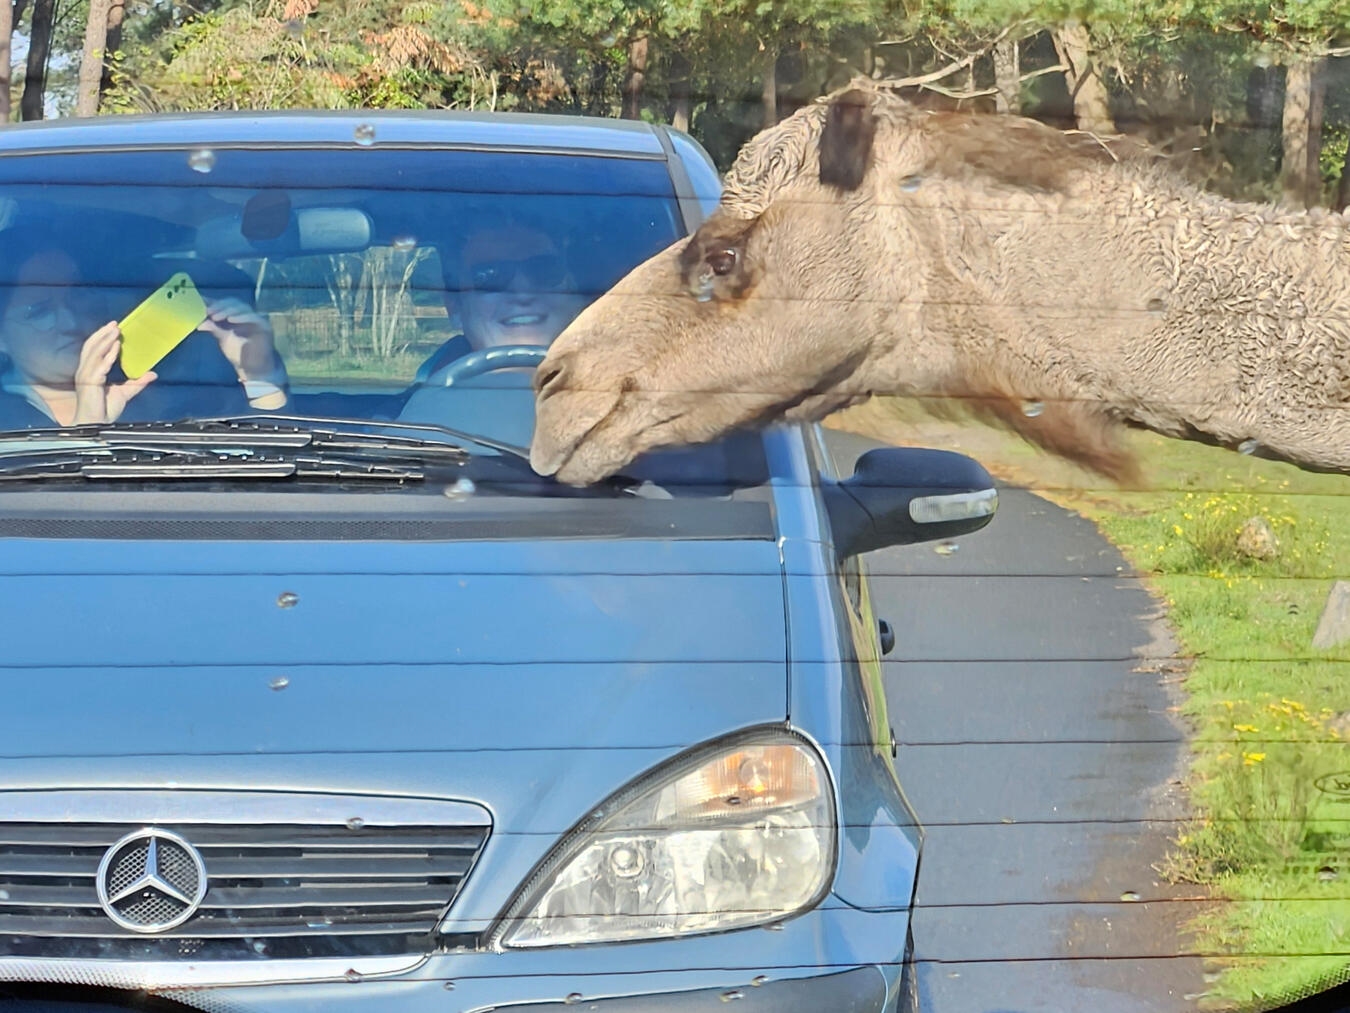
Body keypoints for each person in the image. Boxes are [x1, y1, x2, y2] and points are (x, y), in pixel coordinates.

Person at [0, 244, 289, 429]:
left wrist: (259, 376)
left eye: (77, 296)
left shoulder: (162, 392)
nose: (70, 321)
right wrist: (87, 429)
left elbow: (267, 478)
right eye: (39, 312)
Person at [413, 221, 590, 385]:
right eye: (491, 276)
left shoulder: (607, 393)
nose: (523, 293)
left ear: (572, 291)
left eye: (544, 269)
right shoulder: (417, 404)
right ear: (455, 308)